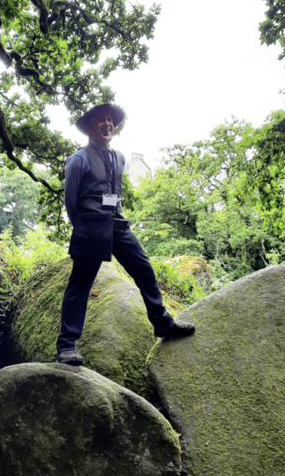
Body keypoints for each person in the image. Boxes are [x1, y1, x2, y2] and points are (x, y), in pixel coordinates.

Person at [56, 102, 195, 365]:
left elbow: (116, 195)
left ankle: (163, 324)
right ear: (90, 127)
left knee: (144, 269)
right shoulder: (79, 159)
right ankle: (66, 346)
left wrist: (114, 216)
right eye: (101, 120)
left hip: (118, 224)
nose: (107, 124)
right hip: (90, 227)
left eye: (110, 120)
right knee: (80, 285)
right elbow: (70, 201)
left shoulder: (119, 157)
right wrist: (84, 227)